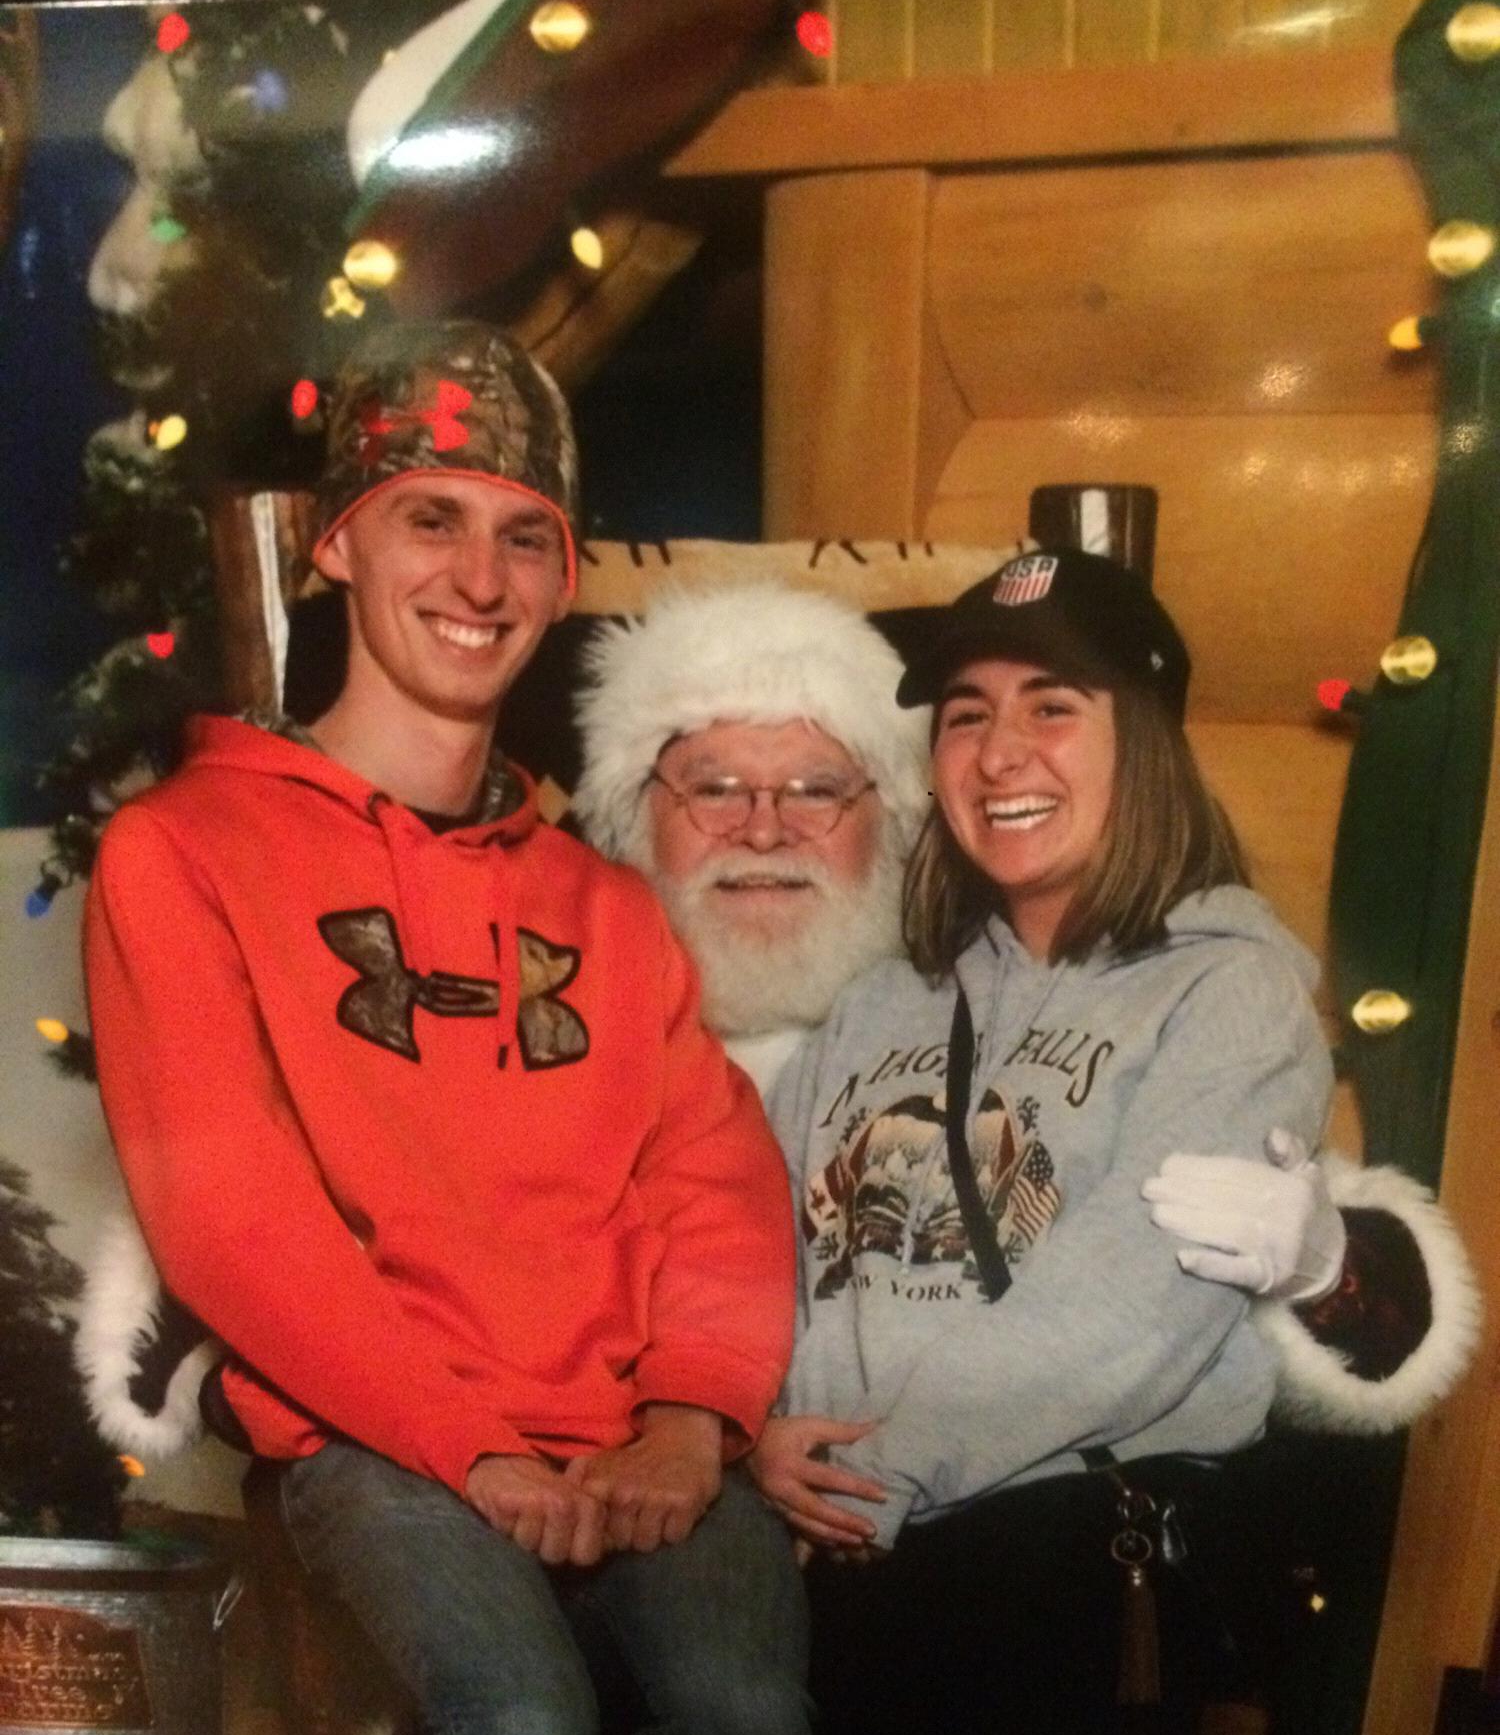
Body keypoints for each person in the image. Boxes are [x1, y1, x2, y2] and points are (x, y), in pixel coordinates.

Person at [82, 319, 810, 1735]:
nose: (481, 581)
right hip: (377, 1436)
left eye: (524, 538)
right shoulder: (185, 852)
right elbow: (231, 1216)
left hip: (628, 1435)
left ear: (562, 575)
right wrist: (464, 1444)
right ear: (338, 543)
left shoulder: (604, 906)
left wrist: (691, 1415)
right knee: (523, 1723)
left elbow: (714, 1177)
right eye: (431, 519)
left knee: (745, 1719)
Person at [701, 549, 1408, 1735]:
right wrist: (761, 1431)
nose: (999, 753)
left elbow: (1125, 1308)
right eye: (966, 713)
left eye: (1052, 706)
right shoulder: (882, 999)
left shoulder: (1227, 993)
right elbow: (762, 1236)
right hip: (842, 1523)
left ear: (1145, 740)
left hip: (1054, 1555)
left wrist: (880, 1476)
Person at [571, 579, 1477, 1428]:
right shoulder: (550, 1034)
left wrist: (1337, 1275)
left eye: (818, 790)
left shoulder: (1176, 994)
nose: (765, 829)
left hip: (978, 1504)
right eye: (713, 789)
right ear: (628, 818)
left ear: (891, 821)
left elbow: (1167, 1274)